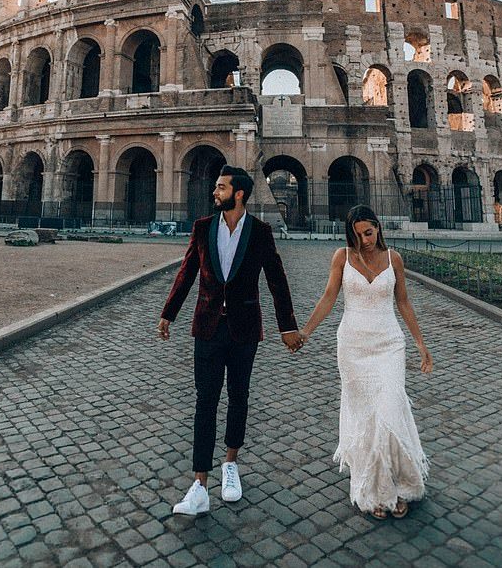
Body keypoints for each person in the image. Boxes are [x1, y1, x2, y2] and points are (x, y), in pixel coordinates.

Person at [157, 165, 302, 516]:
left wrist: (288, 327)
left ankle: (231, 464)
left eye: (220, 188)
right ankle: (199, 484)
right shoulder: (203, 227)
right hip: (207, 326)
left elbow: (277, 281)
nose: (214, 192)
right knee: (205, 401)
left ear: (238, 193)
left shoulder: (260, 231)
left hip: (244, 328)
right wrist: (169, 312)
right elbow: (187, 271)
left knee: (239, 396)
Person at [300, 204, 433, 520]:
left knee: (391, 409)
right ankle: (377, 490)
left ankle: (402, 483)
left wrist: (420, 343)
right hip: (353, 345)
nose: (365, 240)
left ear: (378, 227)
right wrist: (305, 331)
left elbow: (403, 301)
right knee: (367, 419)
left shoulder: (394, 259)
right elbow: (329, 298)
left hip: (389, 344)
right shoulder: (342, 257)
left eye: (369, 233)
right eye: (358, 235)